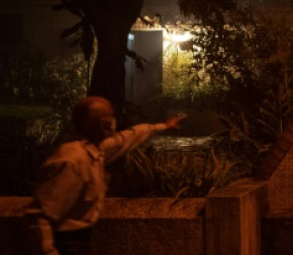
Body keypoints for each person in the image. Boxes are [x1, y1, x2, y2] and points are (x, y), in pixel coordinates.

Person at [24, 96, 184, 255]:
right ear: (91, 122)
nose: (112, 120)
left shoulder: (96, 149)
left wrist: (163, 126)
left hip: (81, 241)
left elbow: (127, 138)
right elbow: (40, 217)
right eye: (106, 116)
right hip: (65, 243)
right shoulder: (72, 160)